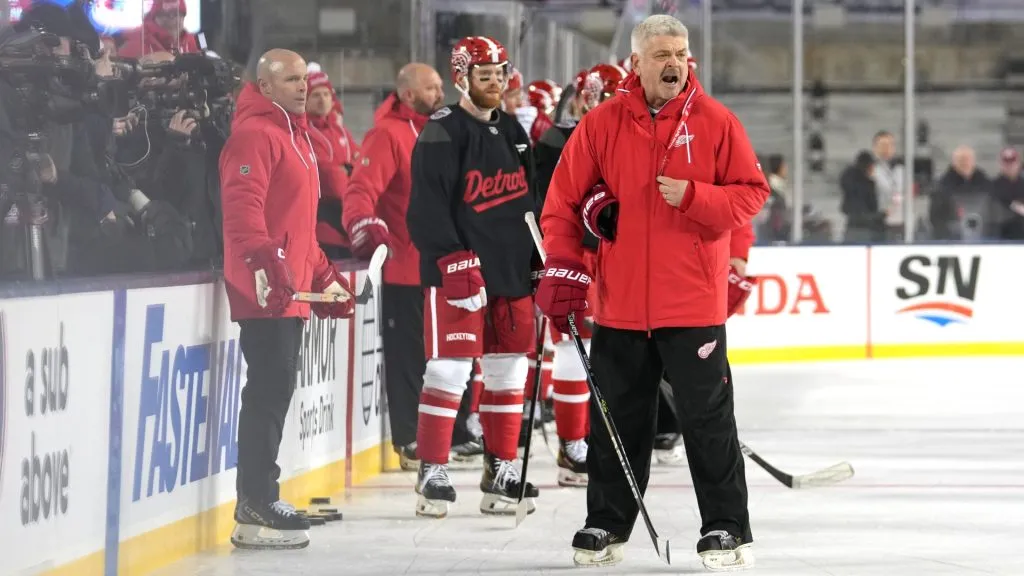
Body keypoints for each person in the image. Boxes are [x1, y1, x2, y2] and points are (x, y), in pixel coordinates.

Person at [535, 14, 768, 571]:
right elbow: (562, 204)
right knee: (617, 419)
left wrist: (694, 197)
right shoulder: (602, 124)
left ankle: (726, 528)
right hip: (619, 305)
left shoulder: (716, 121)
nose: (674, 63)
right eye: (661, 54)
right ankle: (606, 523)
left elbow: (750, 195)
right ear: (635, 64)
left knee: (707, 421)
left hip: (692, 304)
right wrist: (565, 265)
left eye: (681, 53)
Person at [220, 48, 356, 549]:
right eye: (292, 79)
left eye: (305, 78)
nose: (303, 86)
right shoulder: (255, 135)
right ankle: (255, 501)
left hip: (290, 287)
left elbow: (300, 232)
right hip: (265, 291)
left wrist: (326, 278)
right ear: (267, 85)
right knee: (268, 393)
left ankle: (257, 499)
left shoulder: (294, 137)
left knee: (275, 393)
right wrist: (265, 262)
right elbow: (241, 212)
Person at [406, 35, 540, 519]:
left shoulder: (514, 133)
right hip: (459, 272)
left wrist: (539, 259)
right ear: (462, 77)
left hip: (509, 273)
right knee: (449, 370)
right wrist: (449, 258)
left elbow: (530, 205)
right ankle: (431, 470)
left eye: (501, 74)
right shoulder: (442, 129)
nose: (496, 83)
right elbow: (424, 207)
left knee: (509, 371)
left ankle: (501, 468)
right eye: (486, 75)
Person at [341, 62, 450, 469]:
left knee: (436, 359)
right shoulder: (387, 134)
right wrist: (361, 223)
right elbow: (360, 190)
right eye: (431, 87)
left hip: (440, 268)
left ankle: (440, 432)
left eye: (440, 86)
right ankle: (408, 438)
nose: (440, 93)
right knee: (408, 358)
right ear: (408, 94)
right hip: (404, 267)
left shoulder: (439, 132)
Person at [533, 62, 628, 488]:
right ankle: (573, 446)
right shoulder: (558, 139)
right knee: (575, 351)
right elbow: (547, 207)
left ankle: (594, 439)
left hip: (618, 260)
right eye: (605, 96)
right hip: (577, 259)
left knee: (615, 354)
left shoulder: (632, 135)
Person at [305, 65, 359, 258]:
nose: (323, 100)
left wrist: (348, 172)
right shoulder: (303, 132)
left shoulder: (341, 130)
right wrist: (346, 172)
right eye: (316, 95)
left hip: (349, 223)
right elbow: (329, 178)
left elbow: (361, 165)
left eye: (326, 94)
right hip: (324, 229)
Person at [118, 0, 199, 59]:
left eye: (178, 14)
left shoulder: (192, 41)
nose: (174, 20)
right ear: (154, 17)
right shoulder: (136, 42)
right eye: (166, 15)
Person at [991, 147, 1024, 240]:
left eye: (1012, 162)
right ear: (1001, 164)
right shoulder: (993, 186)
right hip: (1002, 237)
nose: (1009, 166)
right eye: (1006, 162)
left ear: (1018, 163)